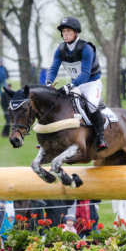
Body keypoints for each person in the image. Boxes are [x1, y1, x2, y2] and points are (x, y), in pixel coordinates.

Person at [45, 16, 108, 152]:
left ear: (76, 33)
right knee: (63, 104)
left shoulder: (86, 48)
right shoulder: (60, 49)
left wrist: (69, 86)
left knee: (91, 105)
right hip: (77, 84)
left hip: (91, 83)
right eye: (63, 31)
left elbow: (85, 73)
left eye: (68, 31)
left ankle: (101, 137)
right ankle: (50, 138)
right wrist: (49, 83)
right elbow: (53, 69)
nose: (65, 34)